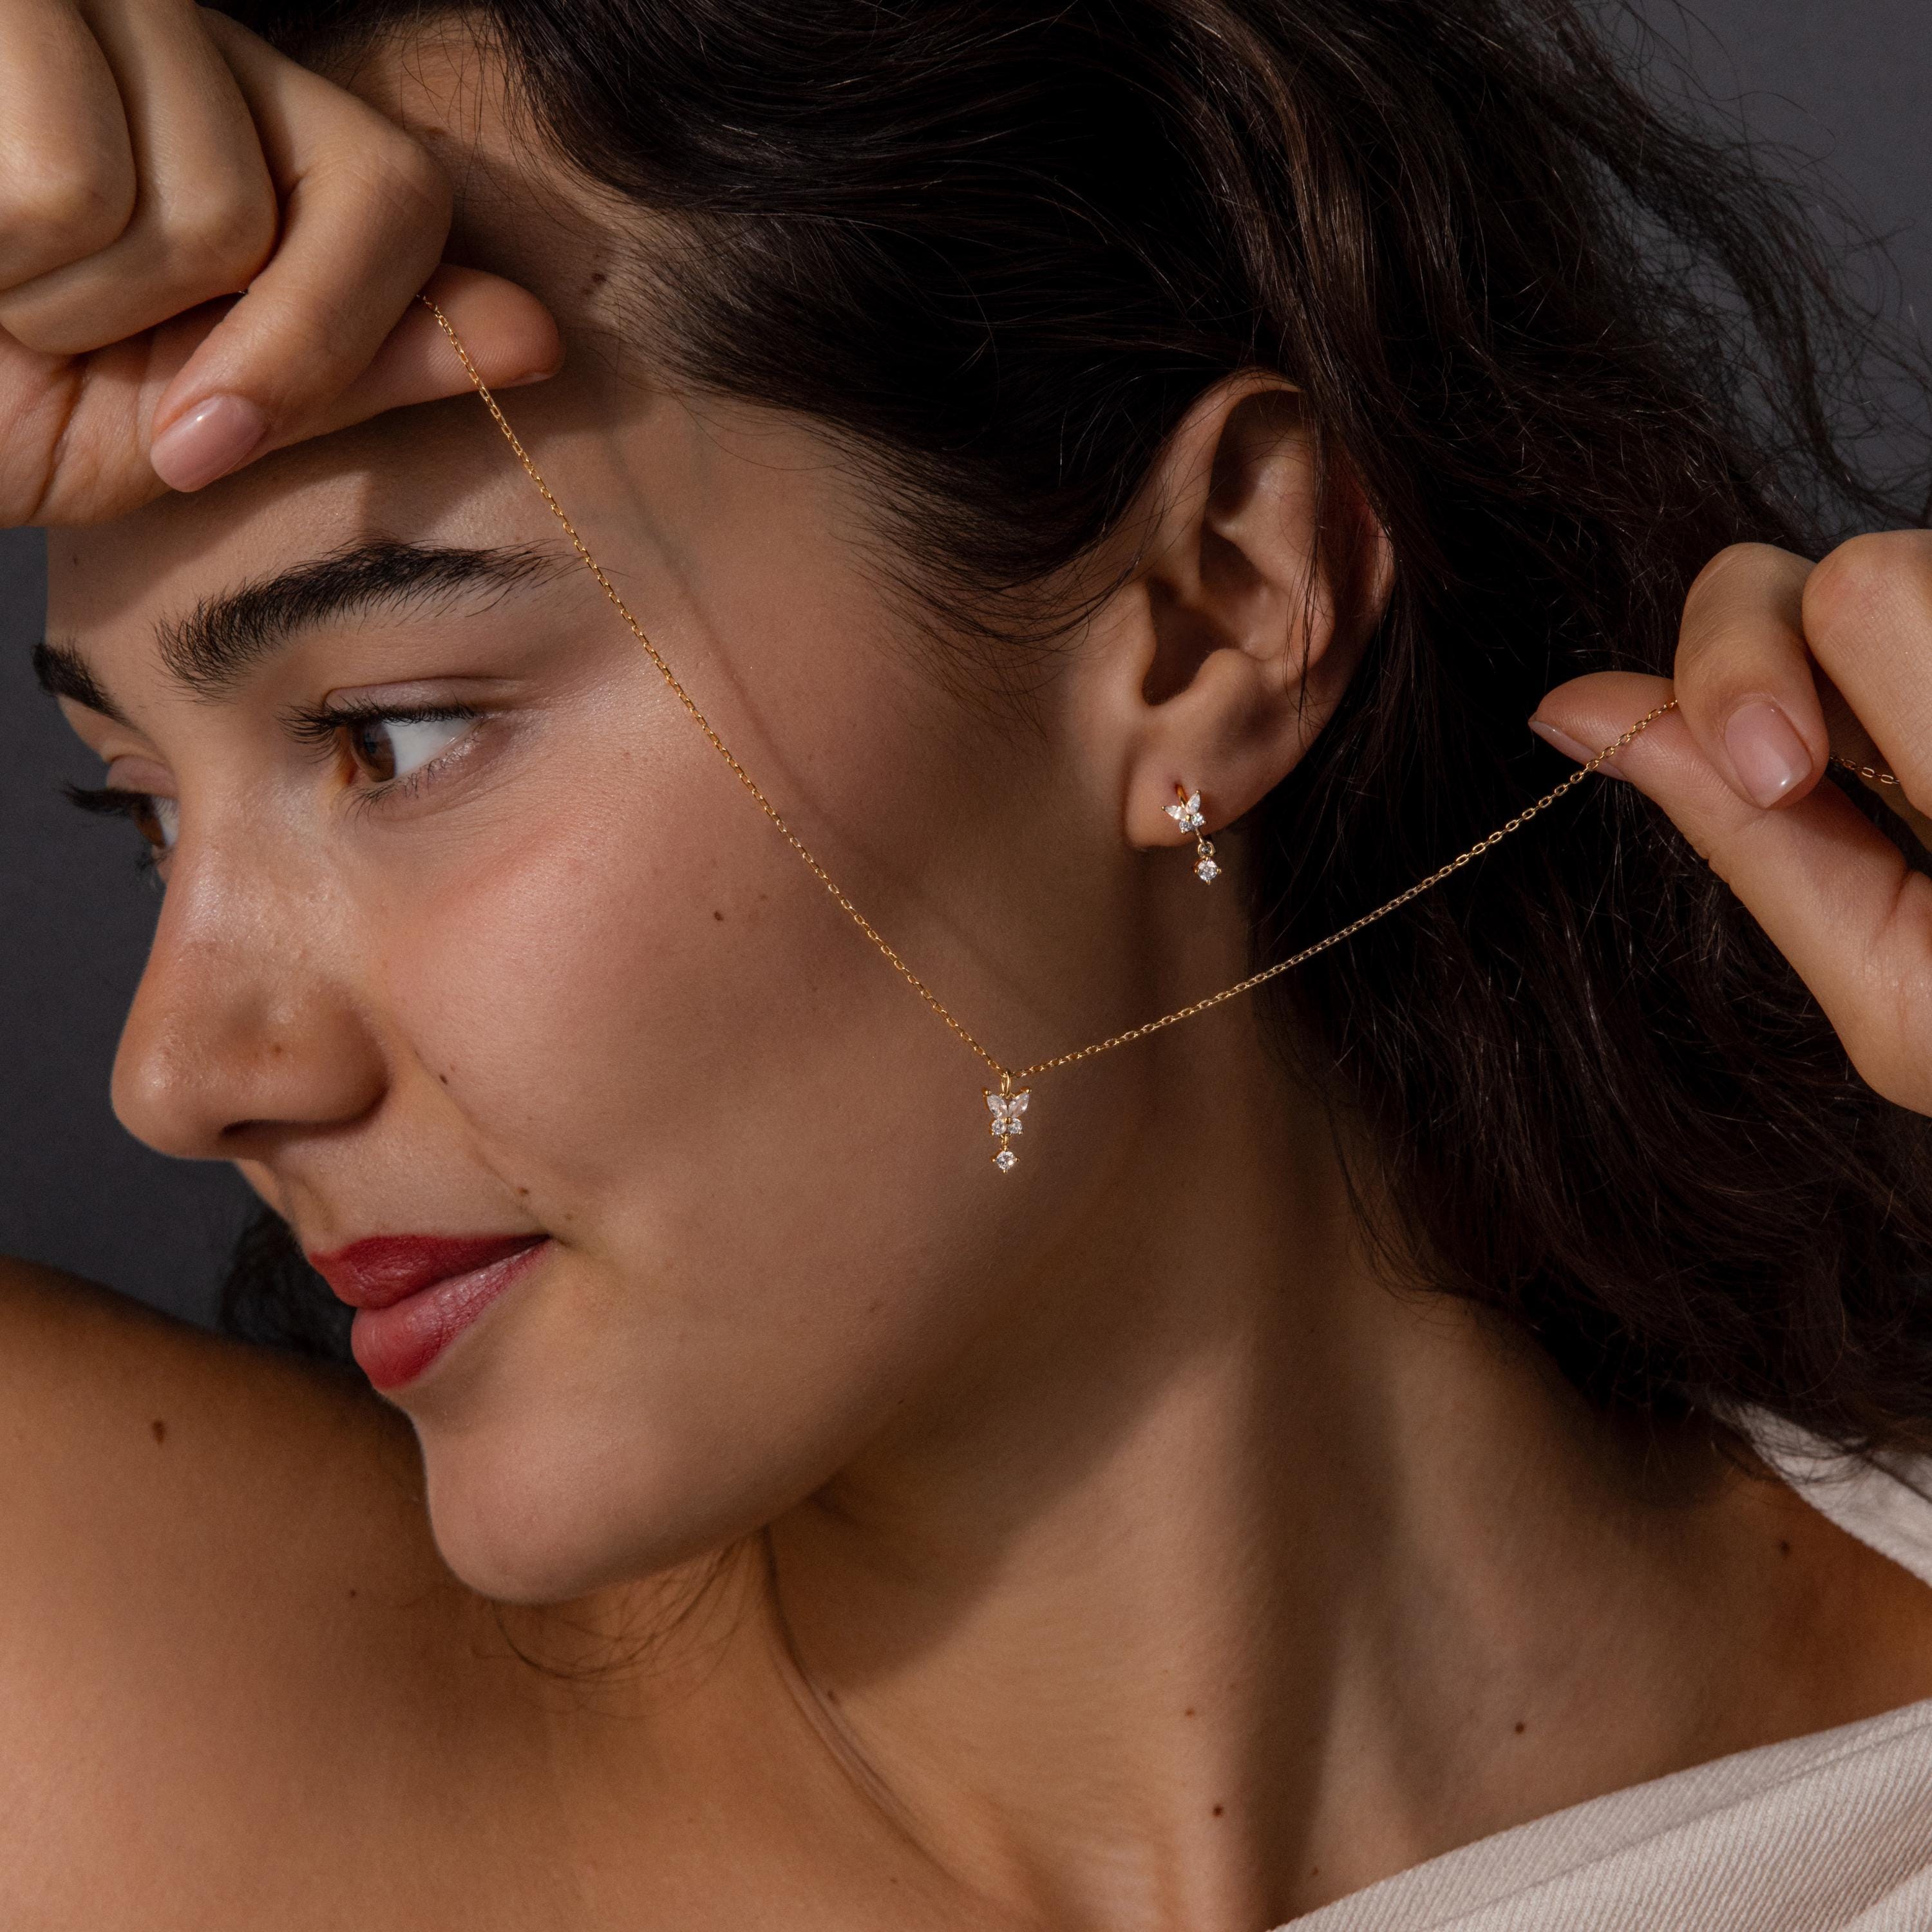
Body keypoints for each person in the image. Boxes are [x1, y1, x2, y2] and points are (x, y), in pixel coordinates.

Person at [6, 1, 1932, 1924]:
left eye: (393, 737)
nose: (179, 1071)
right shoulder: (125, 1702)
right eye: (144, 813)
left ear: (1205, 613)